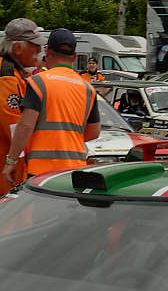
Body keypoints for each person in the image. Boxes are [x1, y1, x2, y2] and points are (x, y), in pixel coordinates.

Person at [6, 27, 100, 185]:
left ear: (47, 51)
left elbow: (25, 126)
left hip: (41, 170)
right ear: (74, 56)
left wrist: (11, 160)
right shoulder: (88, 89)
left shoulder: (38, 82)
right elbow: (94, 132)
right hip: (74, 170)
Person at [0, 19, 43, 211]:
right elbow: (15, 126)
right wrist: (15, 160)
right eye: (34, 46)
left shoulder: (9, 68)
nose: (39, 50)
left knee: (6, 212)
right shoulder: (6, 76)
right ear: (18, 48)